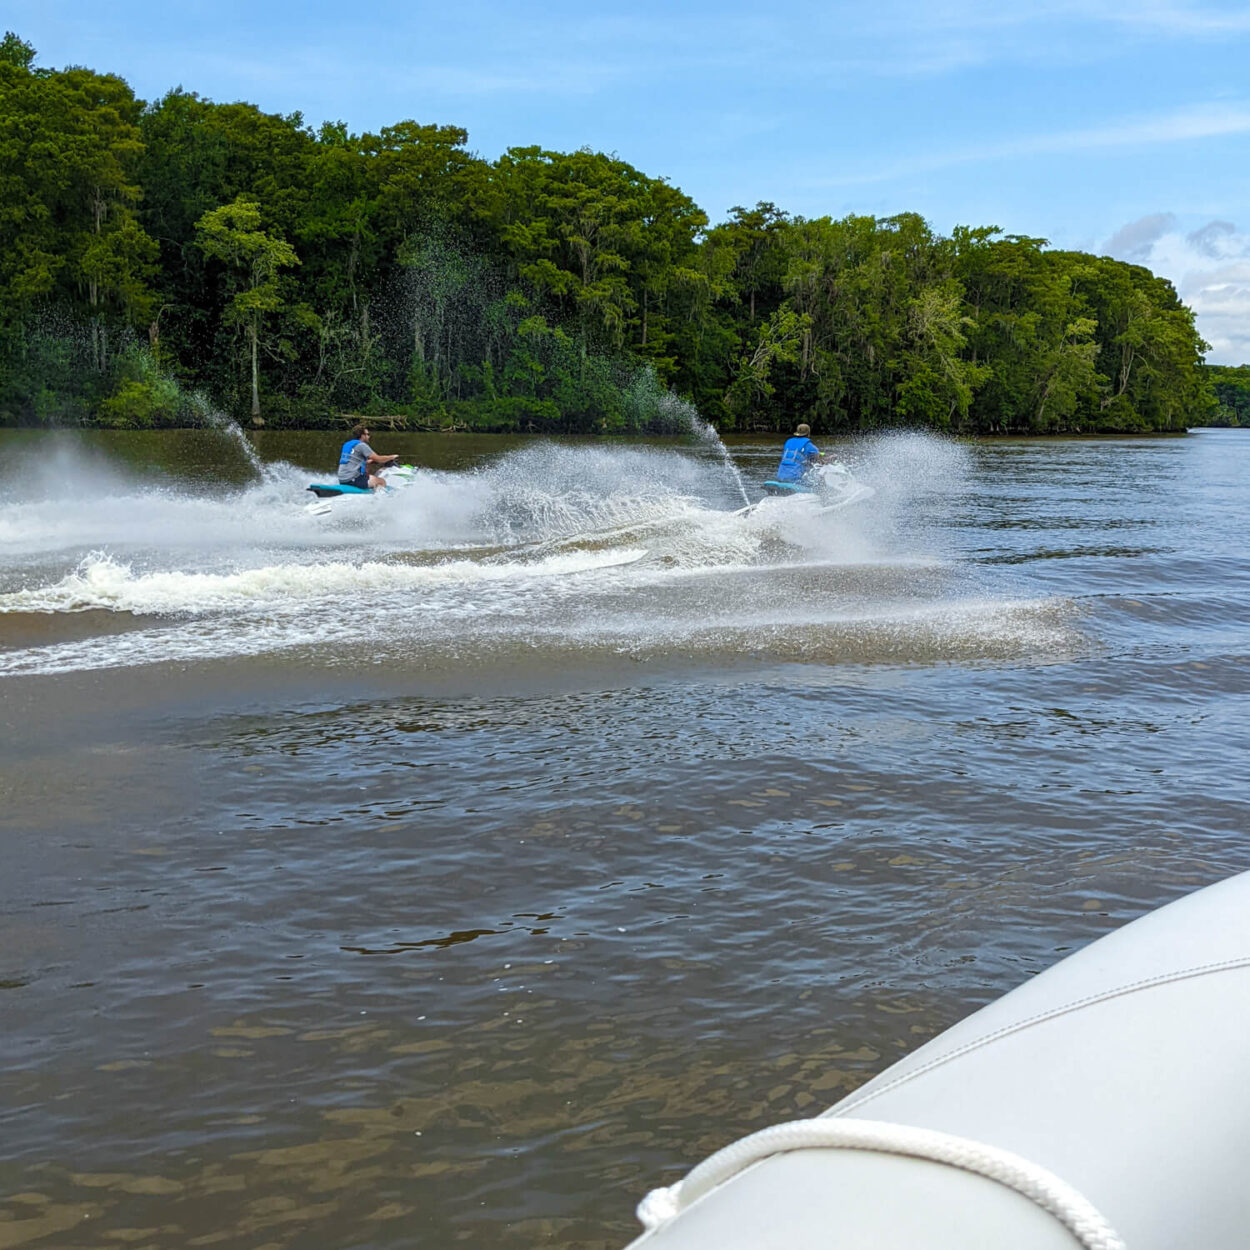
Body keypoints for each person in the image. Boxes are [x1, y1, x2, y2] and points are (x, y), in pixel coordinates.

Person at [337, 423, 398, 490]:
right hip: (352, 480)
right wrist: (391, 457)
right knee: (381, 481)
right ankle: (376, 498)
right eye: (367, 434)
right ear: (362, 436)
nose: (369, 436)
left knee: (368, 471)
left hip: (342, 480)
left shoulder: (347, 444)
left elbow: (355, 461)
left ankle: (368, 485)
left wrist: (372, 461)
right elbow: (379, 459)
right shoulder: (362, 445)